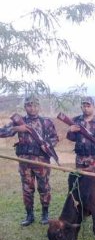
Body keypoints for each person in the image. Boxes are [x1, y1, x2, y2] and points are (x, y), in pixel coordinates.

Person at [0, 95, 58, 226]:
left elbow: (55, 138)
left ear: (39, 106)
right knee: (27, 188)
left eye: (35, 105)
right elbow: (2, 132)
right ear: (25, 107)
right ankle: (29, 215)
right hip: (25, 163)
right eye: (29, 105)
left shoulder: (46, 122)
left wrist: (47, 145)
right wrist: (16, 128)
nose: (32, 108)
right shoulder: (19, 121)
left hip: (42, 161)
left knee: (44, 187)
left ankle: (45, 213)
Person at [66, 96, 95, 223]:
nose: (86, 108)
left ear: (94, 107)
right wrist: (70, 130)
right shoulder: (76, 120)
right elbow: (70, 137)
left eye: (89, 106)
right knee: (80, 184)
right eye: (84, 106)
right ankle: (83, 208)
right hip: (81, 158)